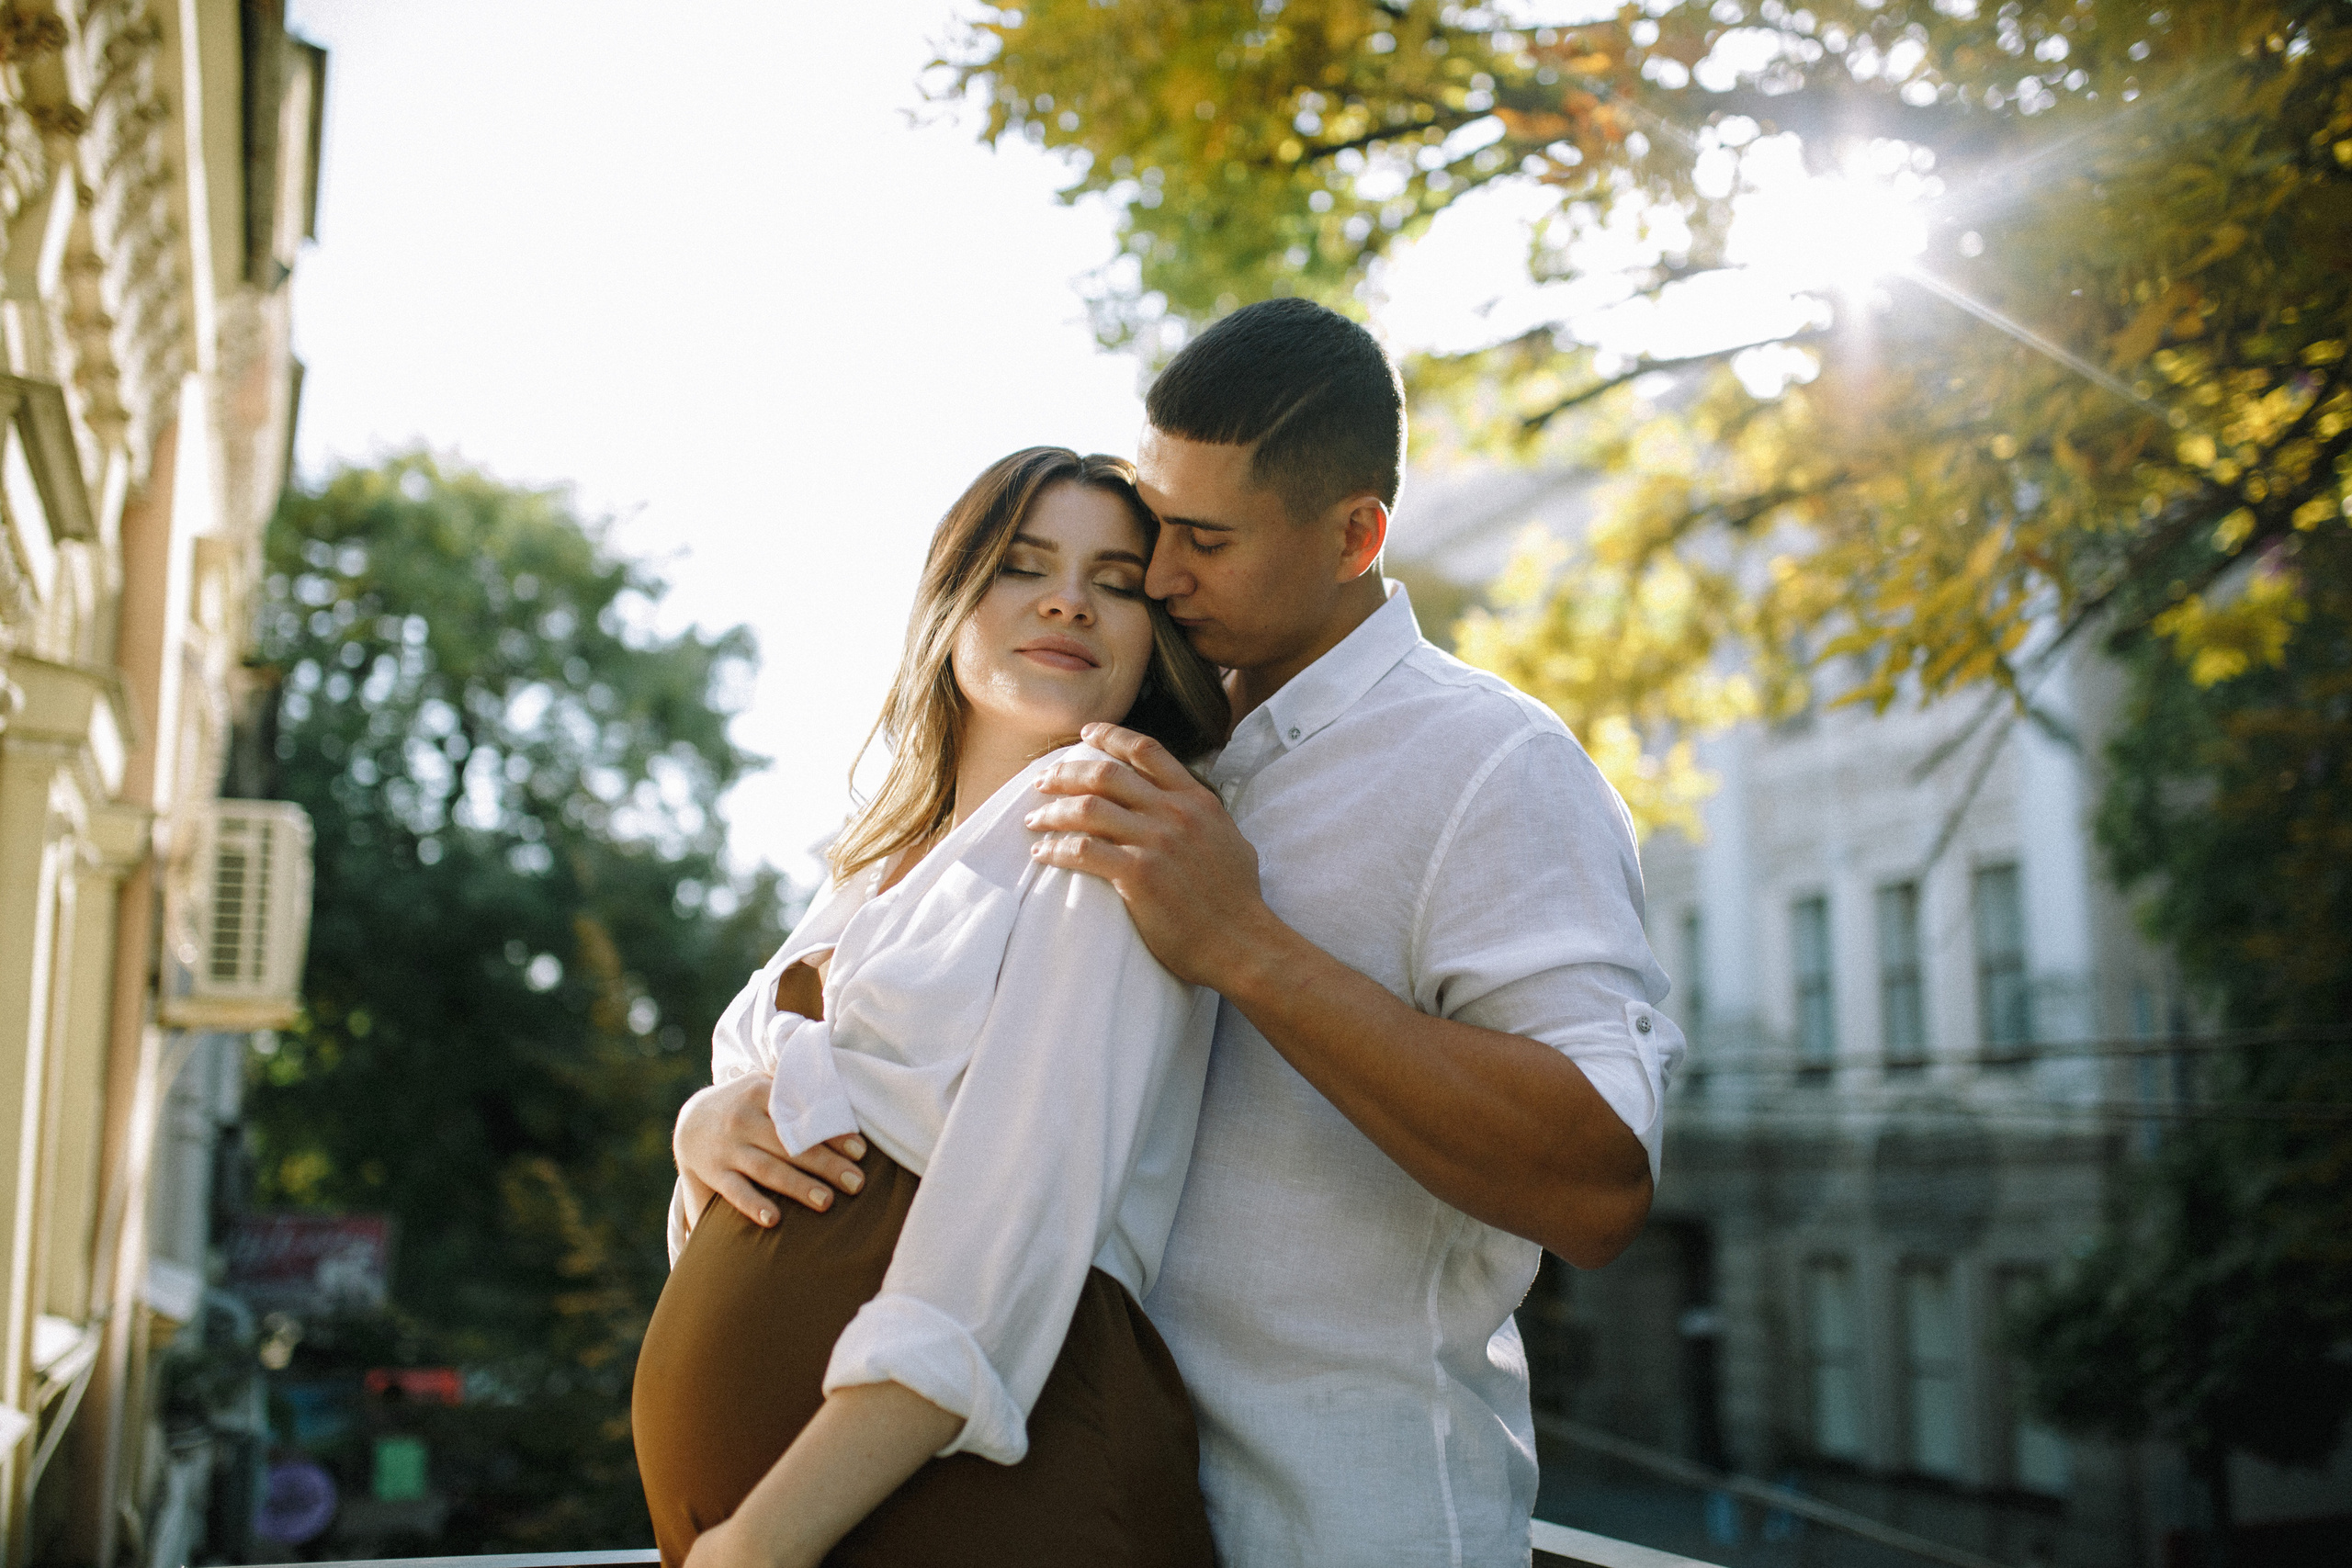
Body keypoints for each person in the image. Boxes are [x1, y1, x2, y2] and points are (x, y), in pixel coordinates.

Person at [684, 300, 1688, 1566]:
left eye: (1201, 541)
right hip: (1069, 1500)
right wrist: (725, 1107)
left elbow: (1600, 1181)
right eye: (1155, 531)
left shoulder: (1492, 763)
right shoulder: (1125, 743)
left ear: (1354, 535)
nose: (1158, 577)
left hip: (1337, 1527)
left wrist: (1246, 943)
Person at [633, 447, 1228, 1568]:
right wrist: (699, 1127)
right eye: (1025, 565)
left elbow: (1010, 1223)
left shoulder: (1107, 830)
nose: (1067, 600)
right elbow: (768, 1140)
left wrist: (763, 1538)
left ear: (1152, 639)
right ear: (951, 602)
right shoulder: (872, 864)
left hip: (976, 1494)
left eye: (1113, 580)